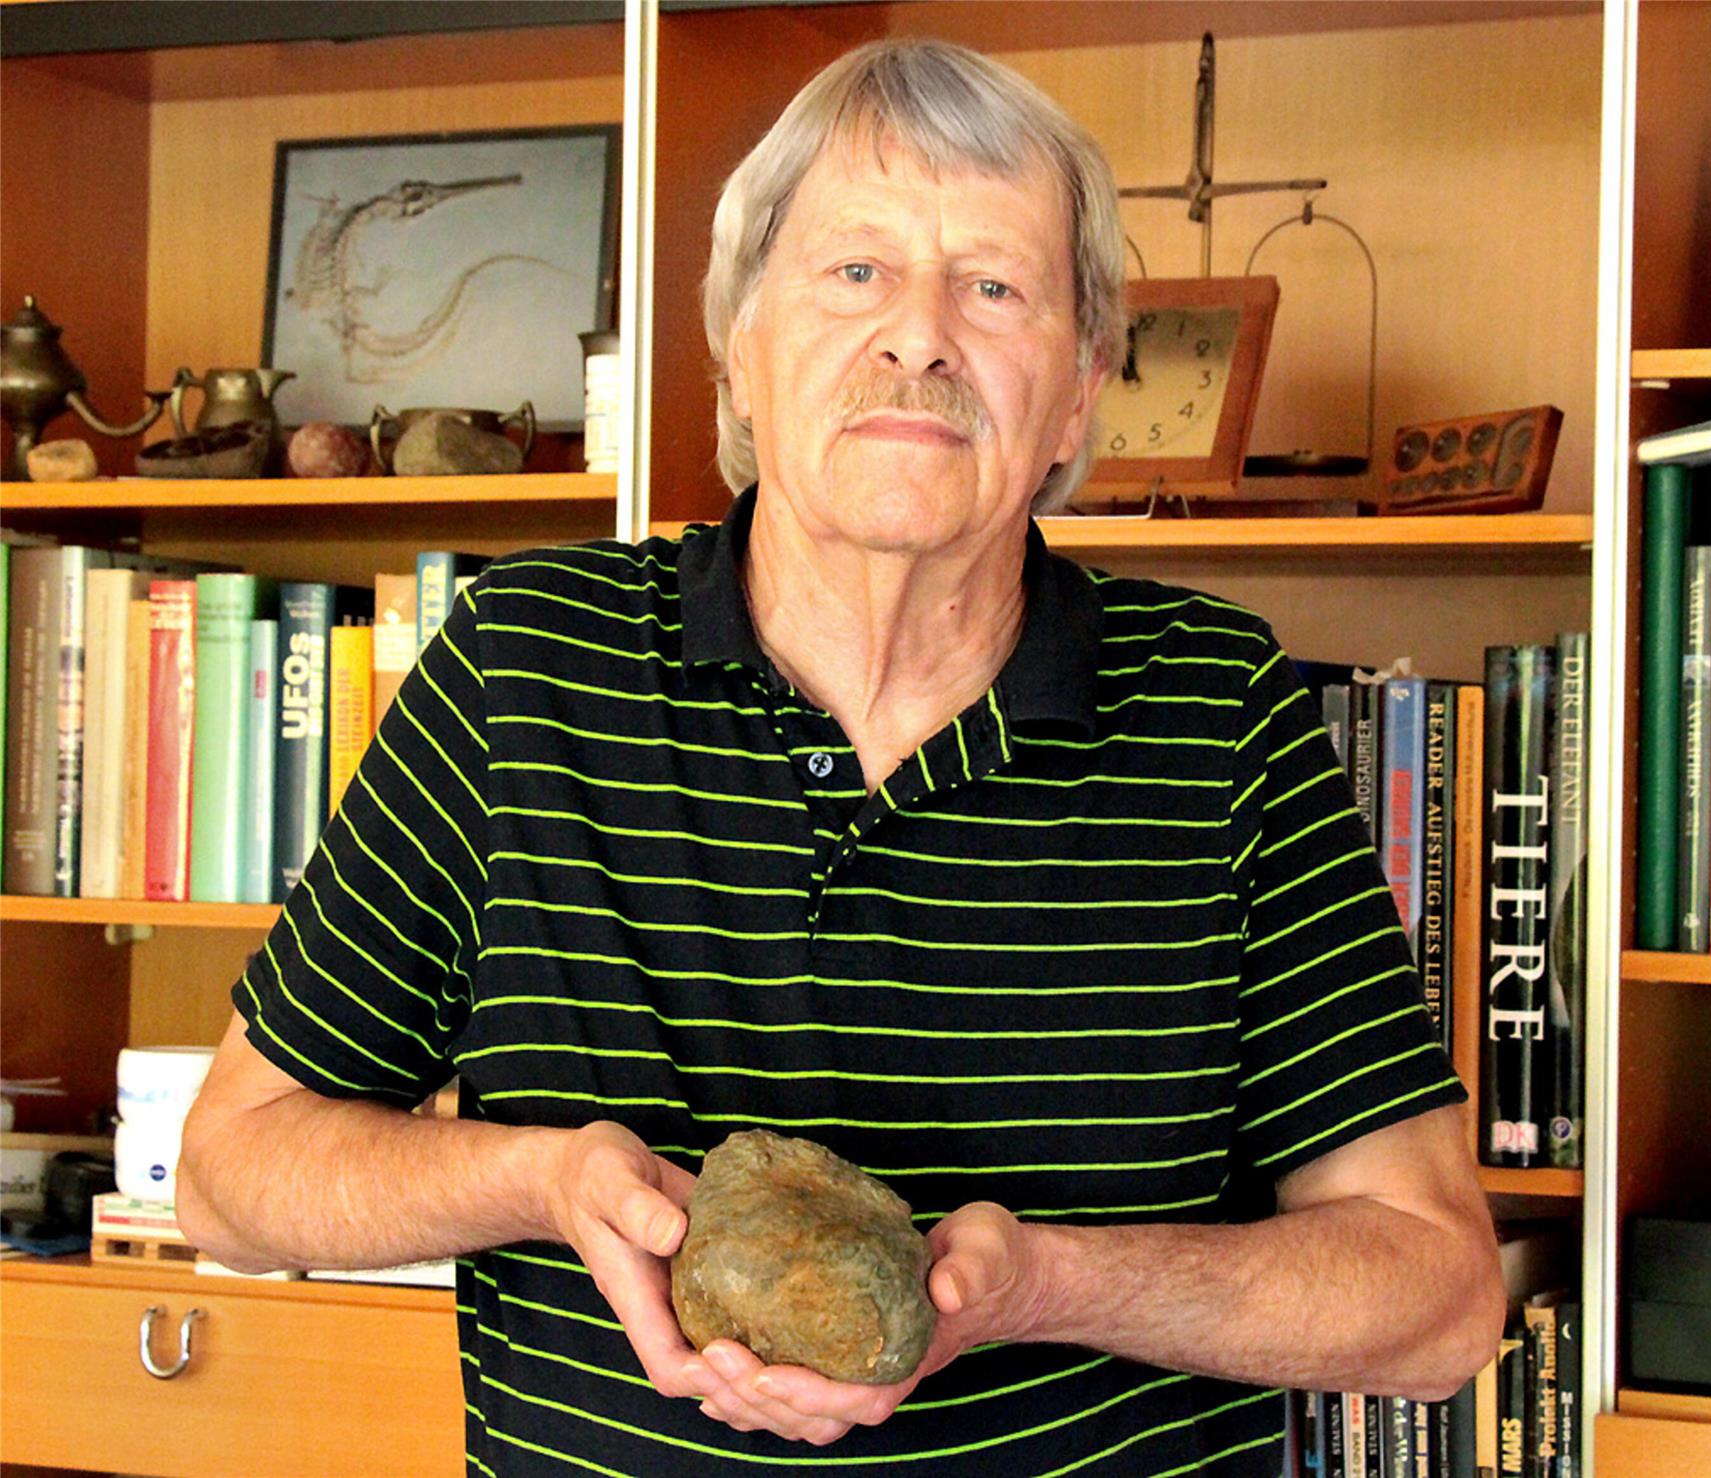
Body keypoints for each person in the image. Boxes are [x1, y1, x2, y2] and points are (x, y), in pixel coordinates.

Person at [178, 38, 1503, 1476]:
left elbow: (1436, 1297)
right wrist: (543, 1177)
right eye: (854, 272)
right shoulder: (525, 665)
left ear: (1079, 388)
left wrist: (1052, 1284)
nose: (919, 336)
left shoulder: (1218, 711)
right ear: (739, 344)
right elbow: (232, 1174)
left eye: (993, 286)